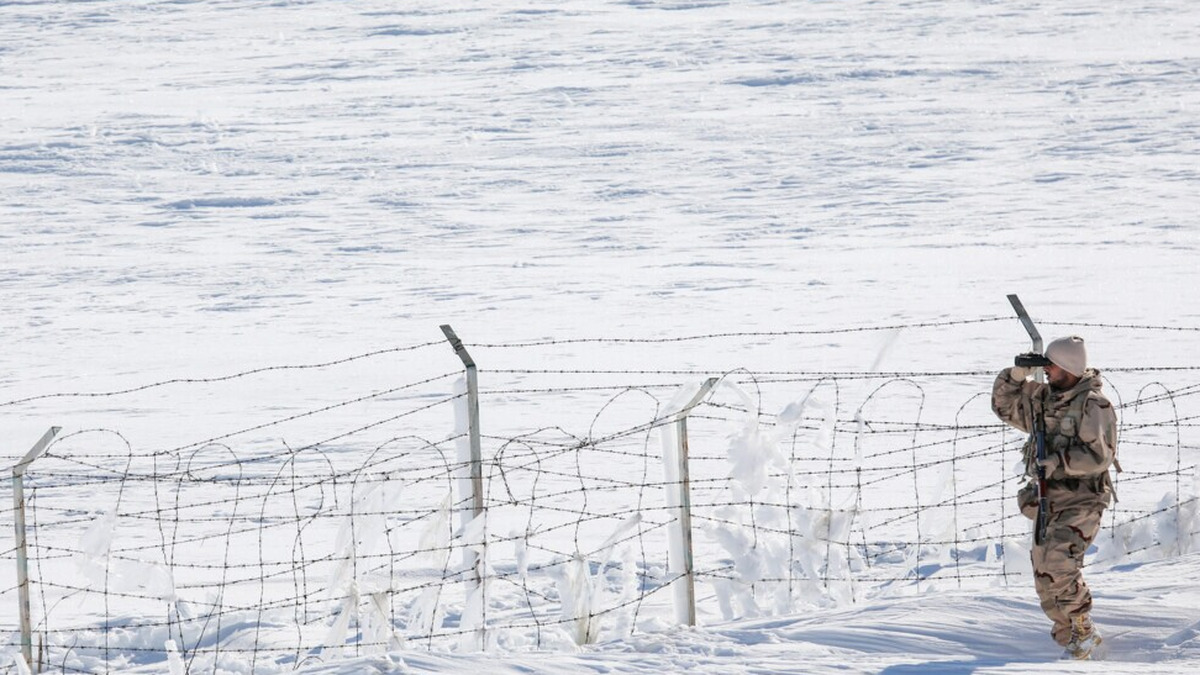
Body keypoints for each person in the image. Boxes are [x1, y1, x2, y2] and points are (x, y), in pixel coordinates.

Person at [991, 335, 1118, 660]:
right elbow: (1004, 406)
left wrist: (1059, 462)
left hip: (1082, 499)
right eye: (1045, 364)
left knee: (1060, 563)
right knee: (1044, 573)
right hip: (1048, 497)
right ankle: (1072, 642)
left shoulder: (1093, 404)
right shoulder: (1043, 398)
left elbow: (1100, 456)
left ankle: (1084, 631)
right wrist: (1016, 376)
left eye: (1053, 365)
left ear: (1071, 368)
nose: (1046, 370)